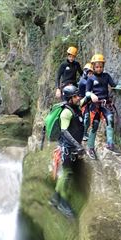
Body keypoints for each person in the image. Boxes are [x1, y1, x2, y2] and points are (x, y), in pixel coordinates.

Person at [50, 85, 85, 217]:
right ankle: (63, 204)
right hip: (67, 149)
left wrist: (89, 95)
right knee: (67, 174)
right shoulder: (66, 112)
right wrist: (78, 146)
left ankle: (54, 198)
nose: (78, 98)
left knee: (66, 173)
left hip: (71, 148)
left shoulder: (75, 106)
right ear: (70, 98)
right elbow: (64, 131)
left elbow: (85, 99)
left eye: (78, 95)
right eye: (75, 96)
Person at [85, 54, 121, 159]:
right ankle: (90, 147)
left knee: (110, 119)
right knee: (95, 126)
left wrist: (120, 87)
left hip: (105, 104)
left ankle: (110, 144)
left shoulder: (106, 76)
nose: (99, 69)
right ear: (93, 67)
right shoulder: (90, 79)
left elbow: (113, 85)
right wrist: (92, 95)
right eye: (97, 67)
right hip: (95, 105)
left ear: (103, 66)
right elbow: (87, 92)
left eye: (100, 66)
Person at [78, 62, 93, 141]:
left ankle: (85, 132)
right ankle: (83, 134)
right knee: (86, 117)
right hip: (83, 101)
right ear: (85, 72)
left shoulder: (88, 79)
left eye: (91, 73)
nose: (90, 75)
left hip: (88, 101)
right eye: (89, 73)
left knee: (88, 117)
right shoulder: (83, 81)